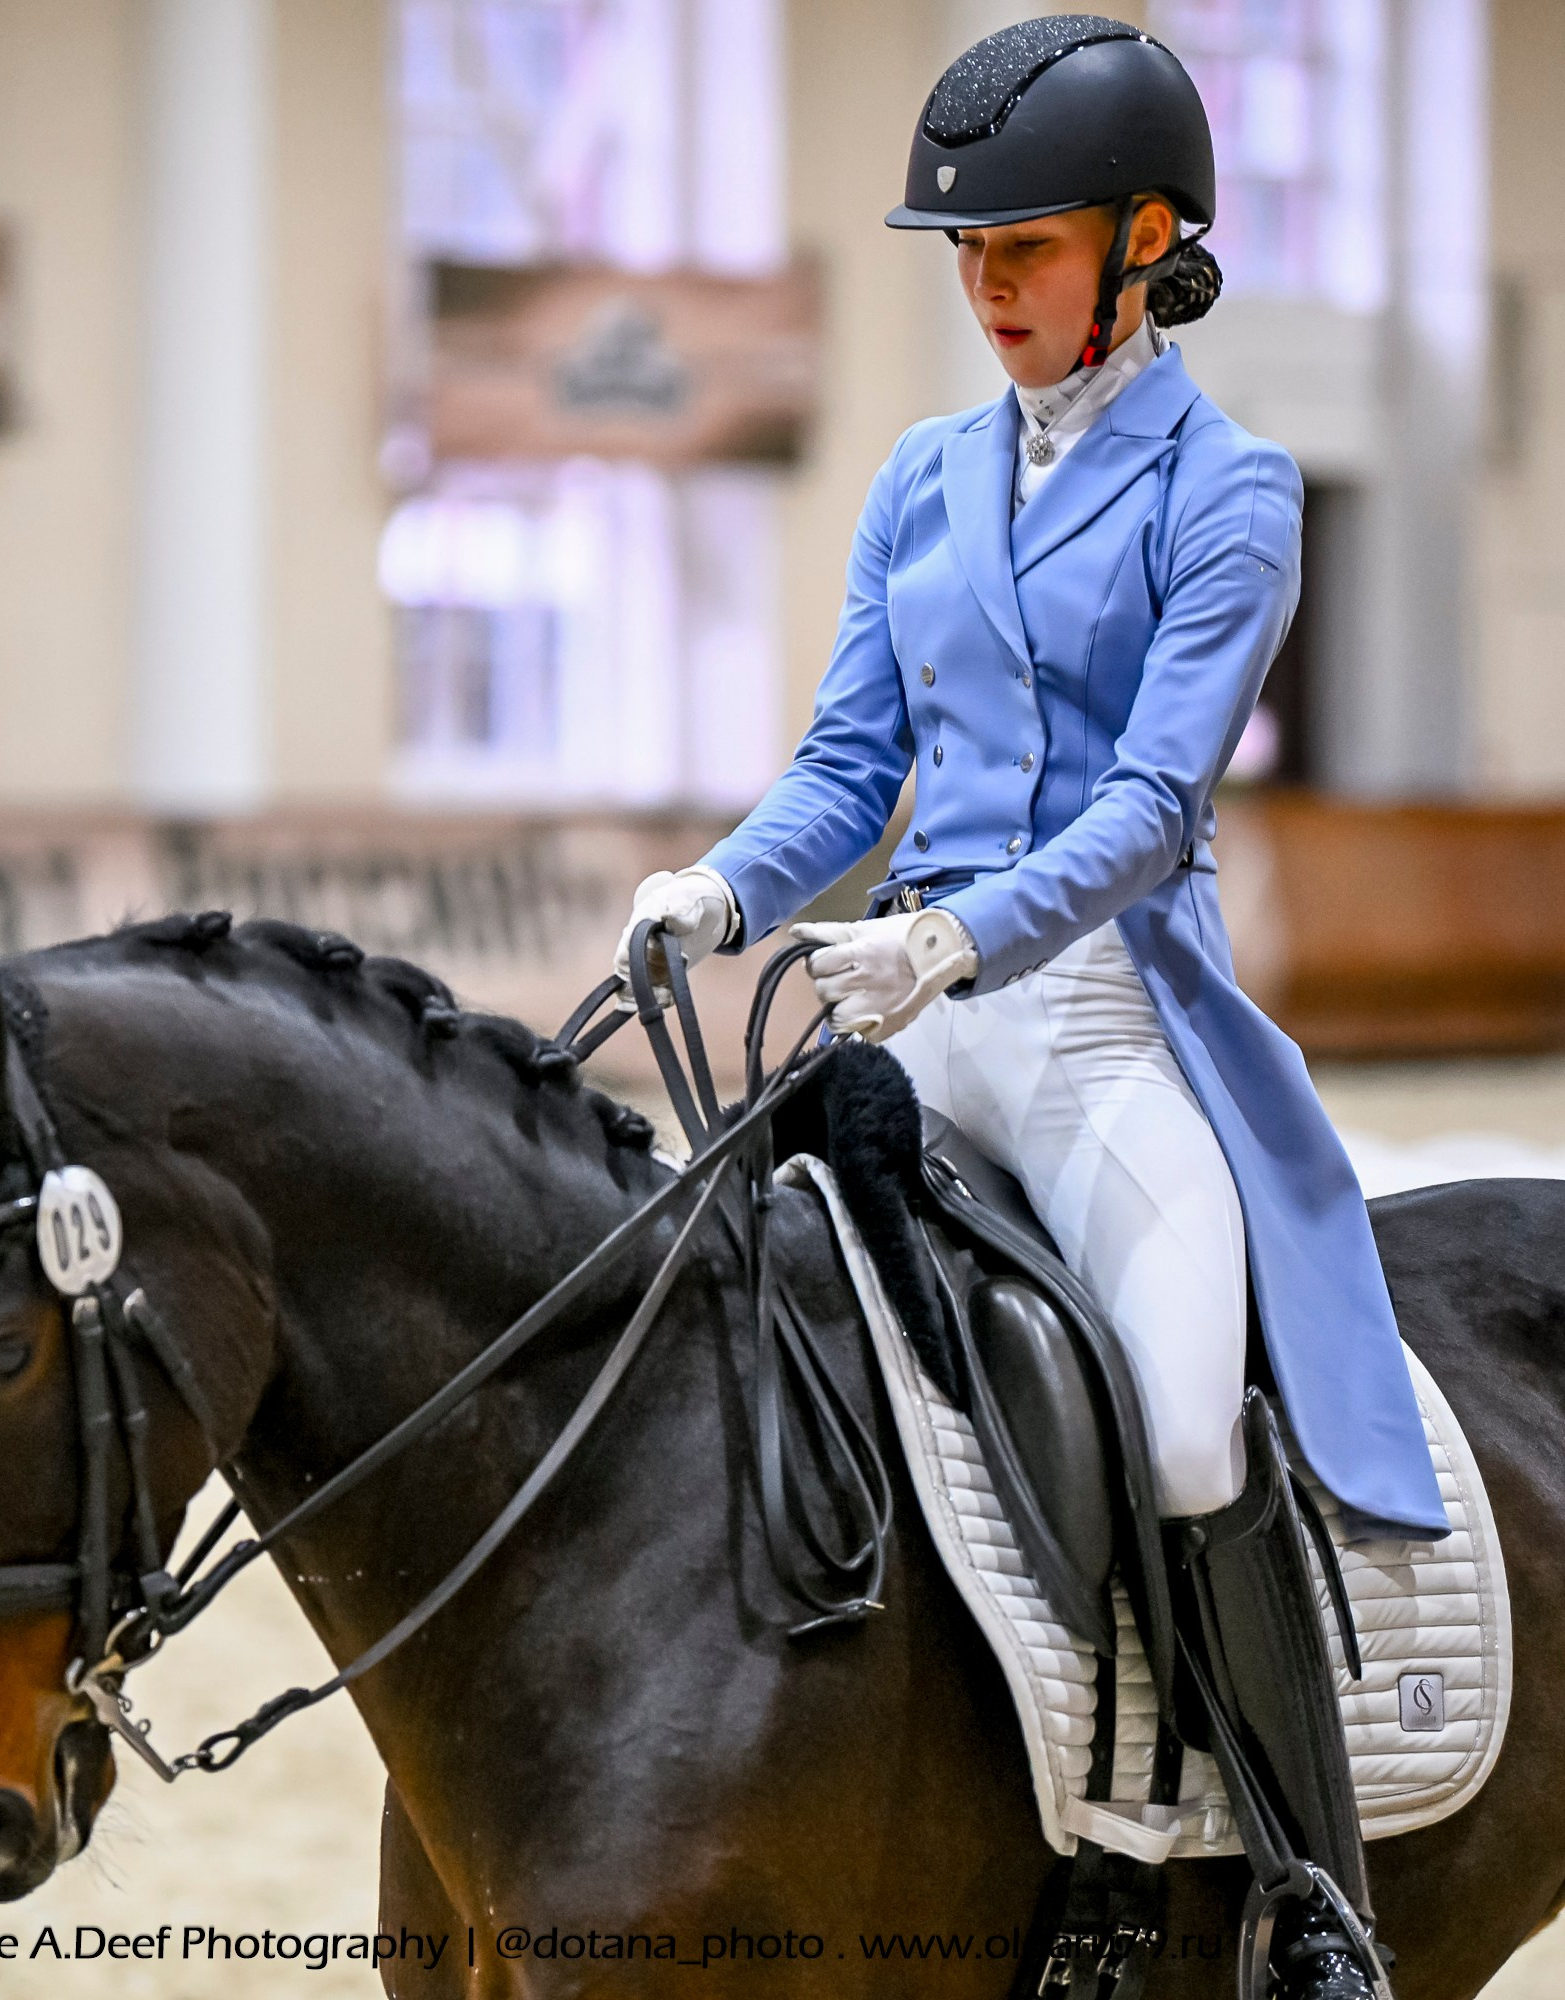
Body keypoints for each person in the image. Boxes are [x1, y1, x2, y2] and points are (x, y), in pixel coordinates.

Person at [613, 19, 1439, 1999]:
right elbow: (846, 768)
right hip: (907, 1025)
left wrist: (960, 939)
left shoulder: (1227, 493)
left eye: (1026, 249)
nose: (985, 289)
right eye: (965, 256)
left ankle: (1297, 1891)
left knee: (1169, 1428)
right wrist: (725, 880)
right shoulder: (916, 477)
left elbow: (1156, 811)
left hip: (1094, 1027)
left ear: (1147, 240)